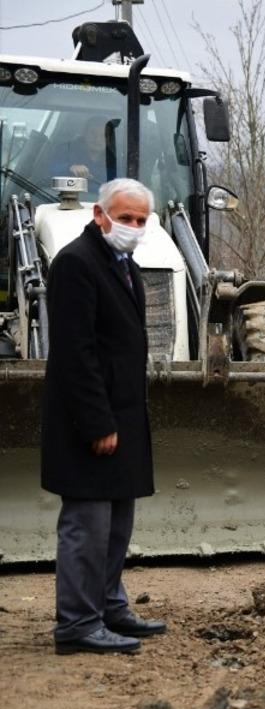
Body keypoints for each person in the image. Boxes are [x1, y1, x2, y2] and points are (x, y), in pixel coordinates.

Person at [41, 177, 164, 654]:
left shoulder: (123, 263)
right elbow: (76, 354)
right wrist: (97, 423)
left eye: (139, 220)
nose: (132, 227)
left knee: (116, 523)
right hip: (90, 423)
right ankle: (77, 623)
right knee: (86, 526)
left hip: (122, 419)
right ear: (100, 214)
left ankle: (109, 606)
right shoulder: (76, 264)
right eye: (124, 218)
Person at [52, 116, 116, 184]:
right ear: (84, 134)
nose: (97, 139)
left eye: (103, 135)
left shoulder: (114, 162)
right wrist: (70, 168)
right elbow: (50, 170)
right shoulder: (66, 150)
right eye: (93, 133)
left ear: (109, 139)